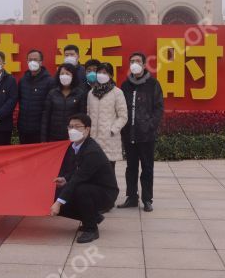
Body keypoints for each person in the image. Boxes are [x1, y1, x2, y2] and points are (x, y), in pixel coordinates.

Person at [50, 113, 119, 243]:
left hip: (105, 193)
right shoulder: (76, 146)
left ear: (87, 129)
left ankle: (91, 229)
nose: (72, 130)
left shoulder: (92, 151)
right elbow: (76, 170)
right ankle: (93, 217)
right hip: (91, 185)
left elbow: (79, 178)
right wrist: (65, 179)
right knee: (58, 192)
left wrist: (58, 203)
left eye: (77, 127)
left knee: (80, 190)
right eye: (70, 127)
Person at [118, 52, 165, 212]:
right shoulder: (125, 85)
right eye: (132, 61)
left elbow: (159, 107)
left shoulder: (153, 84)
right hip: (128, 134)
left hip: (146, 135)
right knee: (131, 168)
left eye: (138, 61)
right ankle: (131, 197)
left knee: (147, 167)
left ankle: (147, 199)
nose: (134, 63)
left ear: (144, 65)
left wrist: (150, 125)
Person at [87, 62, 128, 178]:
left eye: (104, 73)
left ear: (110, 75)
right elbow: (88, 114)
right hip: (93, 138)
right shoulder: (91, 93)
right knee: (94, 170)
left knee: (109, 170)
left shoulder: (117, 92)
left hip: (109, 139)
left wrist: (112, 129)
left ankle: (109, 194)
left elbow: (123, 116)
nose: (101, 75)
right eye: (99, 72)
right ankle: (96, 194)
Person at [40, 63, 86, 142]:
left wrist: (80, 135)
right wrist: (43, 139)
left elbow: (82, 116)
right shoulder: (52, 93)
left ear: (73, 76)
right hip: (53, 136)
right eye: (62, 74)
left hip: (72, 136)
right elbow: (46, 117)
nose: (64, 76)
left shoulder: (80, 93)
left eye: (67, 74)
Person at [17, 49, 55, 144]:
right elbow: (20, 101)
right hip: (23, 128)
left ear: (41, 62)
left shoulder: (50, 81)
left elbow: (51, 106)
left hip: (39, 130)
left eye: (35, 59)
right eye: (30, 60)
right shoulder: (23, 80)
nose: (32, 62)